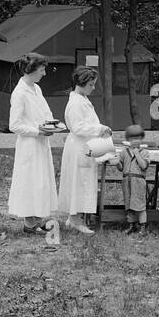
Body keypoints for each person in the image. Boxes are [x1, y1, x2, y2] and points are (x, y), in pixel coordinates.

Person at [7, 53, 60, 232]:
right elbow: (14, 125)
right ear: (31, 70)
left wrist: (52, 125)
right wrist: (37, 131)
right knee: (30, 181)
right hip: (29, 145)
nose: (44, 73)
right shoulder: (19, 93)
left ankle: (37, 218)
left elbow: (45, 112)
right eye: (42, 70)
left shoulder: (36, 89)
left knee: (41, 181)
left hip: (41, 143)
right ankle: (29, 223)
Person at [58, 66, 110, 235]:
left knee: (83, 182)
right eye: (91, 84)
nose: (93, 88)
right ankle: (74, 219)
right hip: (79, 147)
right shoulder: (75, 103)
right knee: (78, 182)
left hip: (85, 147)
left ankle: (75, 217)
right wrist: (99, 129)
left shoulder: (83, 99)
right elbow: (78, 127)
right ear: (82, 82)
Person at [118, 124, 150, 234]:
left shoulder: (144, 152)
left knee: (140, 205)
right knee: (129, 205)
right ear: (128, 139)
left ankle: (143, 227)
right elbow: (121, 167)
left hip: (138, 182)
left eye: (138, 138)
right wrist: (117, 162)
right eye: (132, 138)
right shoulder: (124, 152)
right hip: (127, 181)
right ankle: (132, 225)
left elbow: (144, 166)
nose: (135, 141)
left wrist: (137, 153)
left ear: (141, 139)